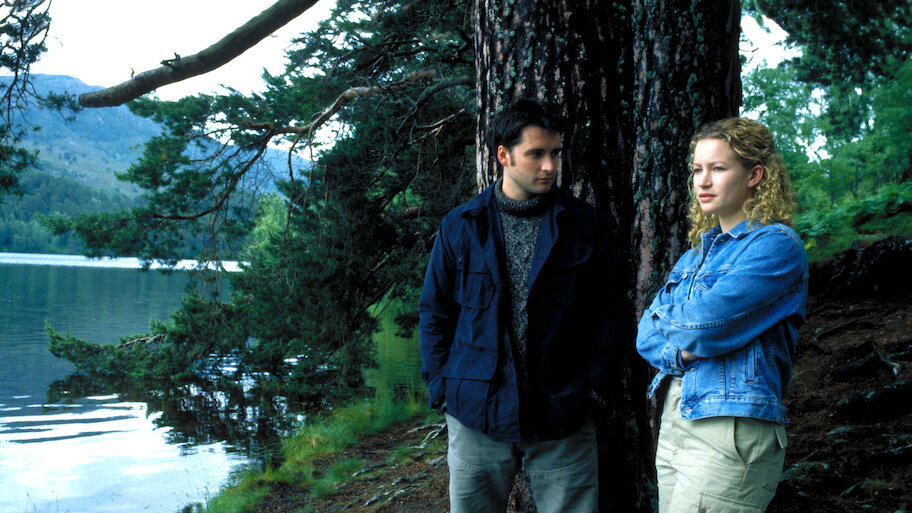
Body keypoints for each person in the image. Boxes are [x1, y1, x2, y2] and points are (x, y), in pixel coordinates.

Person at [419, 98, 625, 513]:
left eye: (556, 154)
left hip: (563, 411)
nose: (550, 166)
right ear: (503, 156)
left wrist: (593, 389)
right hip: (476, 413)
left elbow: (610, 313)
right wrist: (442, 390)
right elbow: (435, 313)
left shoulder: (585, 225)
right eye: (536, 154)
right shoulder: (461, 226)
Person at [636, 117, 808, 513]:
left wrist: (676, 328)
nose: (703, 181)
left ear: (755, 175)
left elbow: (702, 324)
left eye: (717, 168)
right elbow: (644, 333)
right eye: (697, 170)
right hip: (677, 418)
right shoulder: (694, 256)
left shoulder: (776, 246)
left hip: (731, 427)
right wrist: (683, 351)